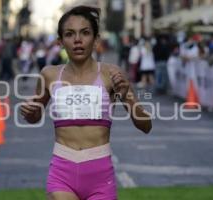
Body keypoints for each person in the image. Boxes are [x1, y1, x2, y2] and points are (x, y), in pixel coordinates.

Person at [20, 6, 152, 200]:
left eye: (85, 33)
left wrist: (128, 98)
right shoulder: (49, 75)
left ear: (96, 39)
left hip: (100, 176)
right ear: (60, 41)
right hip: (61, 174)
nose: (78, 40)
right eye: (69, 34)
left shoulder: (112, 74)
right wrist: (29, 113)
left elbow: (146, 126)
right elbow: (34, 117)